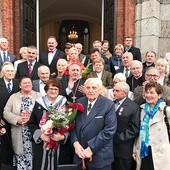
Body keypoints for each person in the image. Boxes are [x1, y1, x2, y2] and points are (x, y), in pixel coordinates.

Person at [71, 78, 117, 170]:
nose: (90, 90)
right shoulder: (80, 102)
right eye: (88, 88)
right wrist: (75, 143)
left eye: (94, 88)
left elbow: (109, 130)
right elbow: (73, 125)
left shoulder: (108, 104)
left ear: (100, 89)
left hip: (99, 156)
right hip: (80, 154)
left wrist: (91, 148)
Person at [28, 79, 73, 170]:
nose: (53, 91)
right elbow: (32, 123)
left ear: (59, 91)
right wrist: (41, 135)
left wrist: (62, 136)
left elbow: (71, 124)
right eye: (51, 89)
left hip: (59, 144)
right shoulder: (39, 103)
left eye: (56, 89)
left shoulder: (65, 104)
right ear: (46, 90)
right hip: (42, 144)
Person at [3, 76, 41, 170]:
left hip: (35, 132)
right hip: (20, 132)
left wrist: (32, 118)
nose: (28, 84)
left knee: (36, 157)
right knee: (21, 157)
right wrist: (18, 119)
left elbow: (45, 113)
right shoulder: (14, 97)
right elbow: (6, 112)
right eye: (25, 83)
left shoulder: (39, 96)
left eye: (29, 82)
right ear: (20, 85)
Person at [133, 82, 170, 170]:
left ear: (159, 95)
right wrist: (135, 149)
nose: (148, 95)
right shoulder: (142, 110)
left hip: (160, 152)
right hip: (144, 150)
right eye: (146, 92)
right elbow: (139, 133)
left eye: (152, 93)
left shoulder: (166, 110)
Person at [112, 82, 140, 170]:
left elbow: (134, 129)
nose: (114, 93)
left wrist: (116, 138)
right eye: (113, 90)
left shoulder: (133, 107)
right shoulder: (111, 104)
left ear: (125, 93)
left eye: (117, 91)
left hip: (123, 150)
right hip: (110, 149)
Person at [0, 62, 20, 170]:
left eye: (12, 71)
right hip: (2, 122)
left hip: (16, 120)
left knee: (16, 146)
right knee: (4, 148)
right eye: (8, 71)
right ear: (3, 72)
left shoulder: (18, 83)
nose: (10, 73)